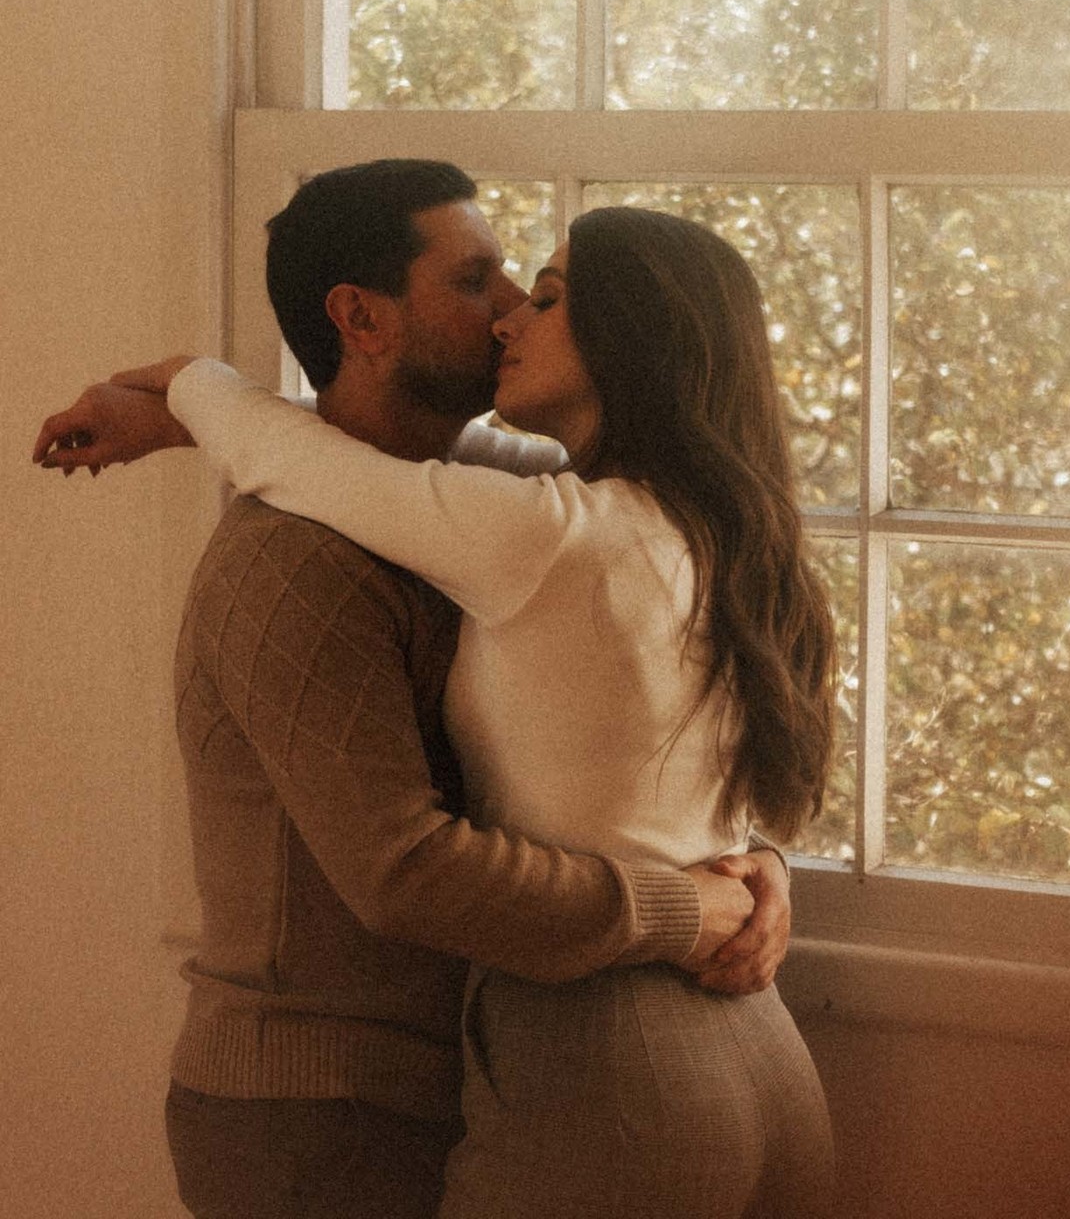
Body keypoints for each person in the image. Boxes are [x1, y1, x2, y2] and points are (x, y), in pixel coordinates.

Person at [34, 163, 793, 1219]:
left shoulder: (518, 507)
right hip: (320, 1114)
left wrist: (752, 863)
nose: (510, 312)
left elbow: (661, 709)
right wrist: (691, 904)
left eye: (533, 289)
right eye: (477, 280)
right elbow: (403, 873)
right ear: (360, 318)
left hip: (466, 1076)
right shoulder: (293, 560)